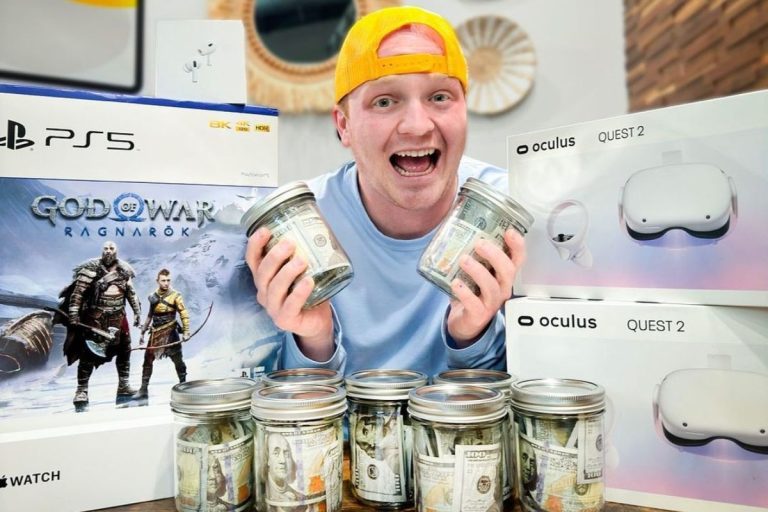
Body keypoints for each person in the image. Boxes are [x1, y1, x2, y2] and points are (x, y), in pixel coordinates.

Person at [245, 6, 526, 376]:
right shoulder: (295, 227)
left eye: (440, 97)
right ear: (344, 126)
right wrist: (313, 342)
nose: (417, 126)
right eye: (384, 101)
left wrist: (473, 337)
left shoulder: (516, 213)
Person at [58, 241, 141, 406]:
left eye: (111, 248)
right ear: (102, 251)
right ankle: (82, 390)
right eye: (106, 248)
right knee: (88, 354)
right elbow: (77, 294)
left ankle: (123, 386)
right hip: (96, 317)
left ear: (116, 251)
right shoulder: (90, 269)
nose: (108, 251)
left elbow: (131, 293)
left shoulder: (124, 270)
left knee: (124, 350)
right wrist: (73, 314)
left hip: (119, 317)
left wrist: (137, 312)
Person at [133, 268, 190, 400]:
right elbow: (150, 315)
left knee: (178, 360)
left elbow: (183, 313)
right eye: (163, 280)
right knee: (147, 360)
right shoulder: (153, 296)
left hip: (171, 332)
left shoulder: (176, 295)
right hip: (156, 333)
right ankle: (143, 389)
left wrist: (186, 331)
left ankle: (183, 385)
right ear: (158, 281)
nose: (166, 283)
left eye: (168, 280)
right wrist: (143, 332)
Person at [266, 432, 307, 511]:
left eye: (286, 454)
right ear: (267, 459)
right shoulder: (263, 492)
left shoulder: (298, 497)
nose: (283, 460)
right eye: (276, 453)